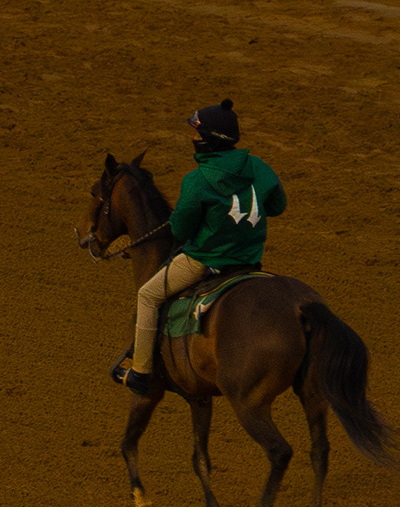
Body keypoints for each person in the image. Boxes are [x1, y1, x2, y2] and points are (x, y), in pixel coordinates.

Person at [115, 100, 286, 397]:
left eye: (196, 134)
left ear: (209, 140)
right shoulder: (260, 167)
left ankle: (141, 371)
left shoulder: (197, 181)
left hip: (205, 262)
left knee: (148, 295)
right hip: (249, 262)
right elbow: (278, 206)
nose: (193, 139)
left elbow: (180, 230)